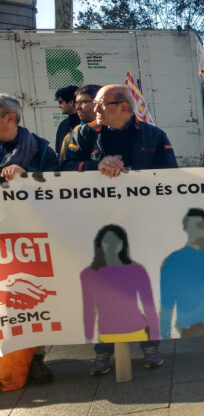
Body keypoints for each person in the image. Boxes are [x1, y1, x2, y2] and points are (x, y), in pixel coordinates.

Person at [64, 84, 177, 373]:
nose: (94, 109)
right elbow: (62, 168)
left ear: (123, 108)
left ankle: (151, 346)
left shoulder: (155, 136)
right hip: (98, 227)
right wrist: (95, 166)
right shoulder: (82, 133)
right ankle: (104, 351)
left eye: (101, 103)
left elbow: (172, 179)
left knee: (145, 285)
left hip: (142, 225)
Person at [0, 94, 57, 384]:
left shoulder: (41, 150)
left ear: (10, 119)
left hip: (28, 239)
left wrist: (28, 177)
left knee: (30, 301)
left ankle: (35, 360)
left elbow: (60, 187)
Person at [81, 225, 161, 375]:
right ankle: (104, 352)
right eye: (106, 241)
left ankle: (151, 347)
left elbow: (148, 302)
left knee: (147, 315)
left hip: (134, 319)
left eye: (116, 241)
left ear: (123, 244)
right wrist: (87, 334)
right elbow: (88, 306)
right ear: (100, 245)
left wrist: (155, 334)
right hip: (106, 322)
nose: (111, 245)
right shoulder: (89, 273)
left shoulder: (136, 269)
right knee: (105, 324)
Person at [160, 208, 204, 339]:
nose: (196, 231)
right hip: (191, 326)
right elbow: (166, 301)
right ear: (185, 229)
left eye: (200, 226)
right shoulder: (174, 261)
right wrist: (165, 333)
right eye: (191, 227)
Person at [60, 84, 101, 164]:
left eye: (83, 102)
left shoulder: (124, 130)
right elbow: (65, 168)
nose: (77, 108)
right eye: (76, 103)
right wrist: (98, 166)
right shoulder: (72, 136)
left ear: (100, 102)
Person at [54, 85, 80, 156]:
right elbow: (59, 151)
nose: (59, 106)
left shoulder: (88, 124)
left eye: (60, 102)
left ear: (71, 102)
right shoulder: (63, 124)